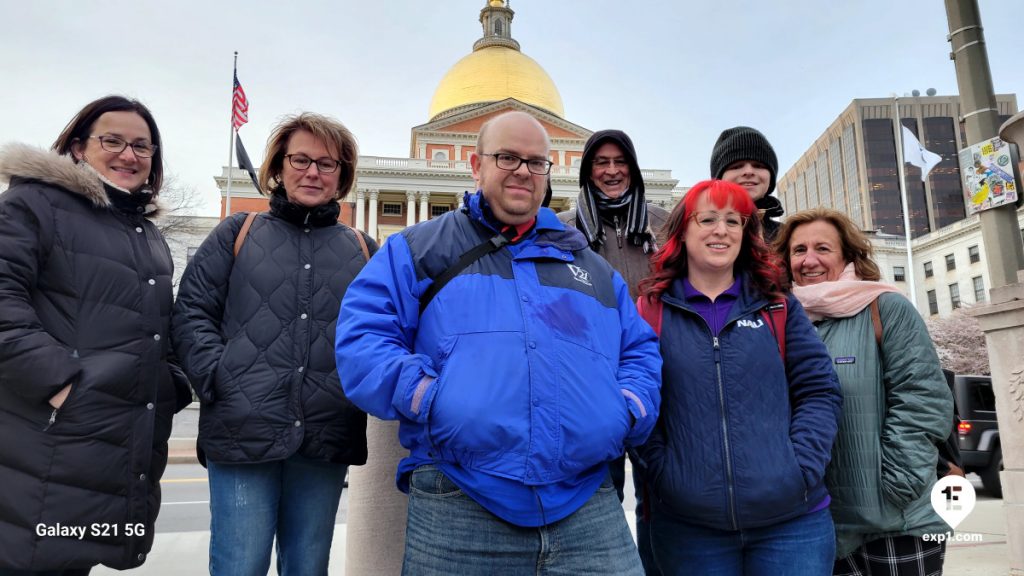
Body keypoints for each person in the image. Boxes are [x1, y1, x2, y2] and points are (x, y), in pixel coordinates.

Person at [336, 111, 661, 575]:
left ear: (549, 173)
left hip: (586, 500)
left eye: (535, 162)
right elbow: (363, 335)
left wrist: (626, 407)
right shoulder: (419, 249)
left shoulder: (588, 266)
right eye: (507, 157)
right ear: (476, 165)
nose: (522, 171)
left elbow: (639, 350)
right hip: (459, 495)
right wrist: (427, 395)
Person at [172, 113, 374, 576]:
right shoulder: (237, 233)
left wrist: (357, 388)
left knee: (308, 565)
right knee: (240, 563)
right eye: (300, 159)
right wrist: (220, 378)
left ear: (342, 176)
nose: (313, 172)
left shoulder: (364, 248)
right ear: (278, 167)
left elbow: (382, 331)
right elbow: (192, 313)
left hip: (326, 432)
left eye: (327, 164)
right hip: (243, 428)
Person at [0, 95, 191, 573]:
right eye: (113, 141)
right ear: (79, 147)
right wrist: (62, 387)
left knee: (71, 560)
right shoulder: (35, 203)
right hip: (44, 441)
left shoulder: (145, 235)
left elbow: (158, 331)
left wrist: (171, 386)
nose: (129, 155)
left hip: (107, 448)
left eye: (143, 147)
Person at [636, 179, 842, 576]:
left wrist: (800, 468)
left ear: (747, 235)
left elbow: (819, 391)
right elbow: (642, 401)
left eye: (734, 220)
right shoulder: (650, 311)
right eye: (708, 218)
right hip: (689, 530)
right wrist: (665, 475)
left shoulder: (778, 307)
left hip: (792, 523)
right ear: (683, 230)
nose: (721, 230)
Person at [773, 208, 953, 576]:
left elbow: (923, 400)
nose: (809, 260)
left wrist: (896, 485)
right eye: (798, 250)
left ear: (848, 255)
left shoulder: (885, 308)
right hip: (820, 523)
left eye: (822, 248)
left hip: (896, 522)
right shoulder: (780, 321)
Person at [558, 129, 668, 572]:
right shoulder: (565, 229)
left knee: (661, 497)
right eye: (601, 162)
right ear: (587, 171)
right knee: (601, 495)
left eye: (620, 161)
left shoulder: (663, 223)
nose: (611, 170)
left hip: (662, 376)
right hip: (592, 382)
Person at [710, 126, 784, 241]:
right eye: (736, 166)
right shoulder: (698, 231)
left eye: (758, 166)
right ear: (718, 179)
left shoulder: (789, 236)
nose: (749, 172)